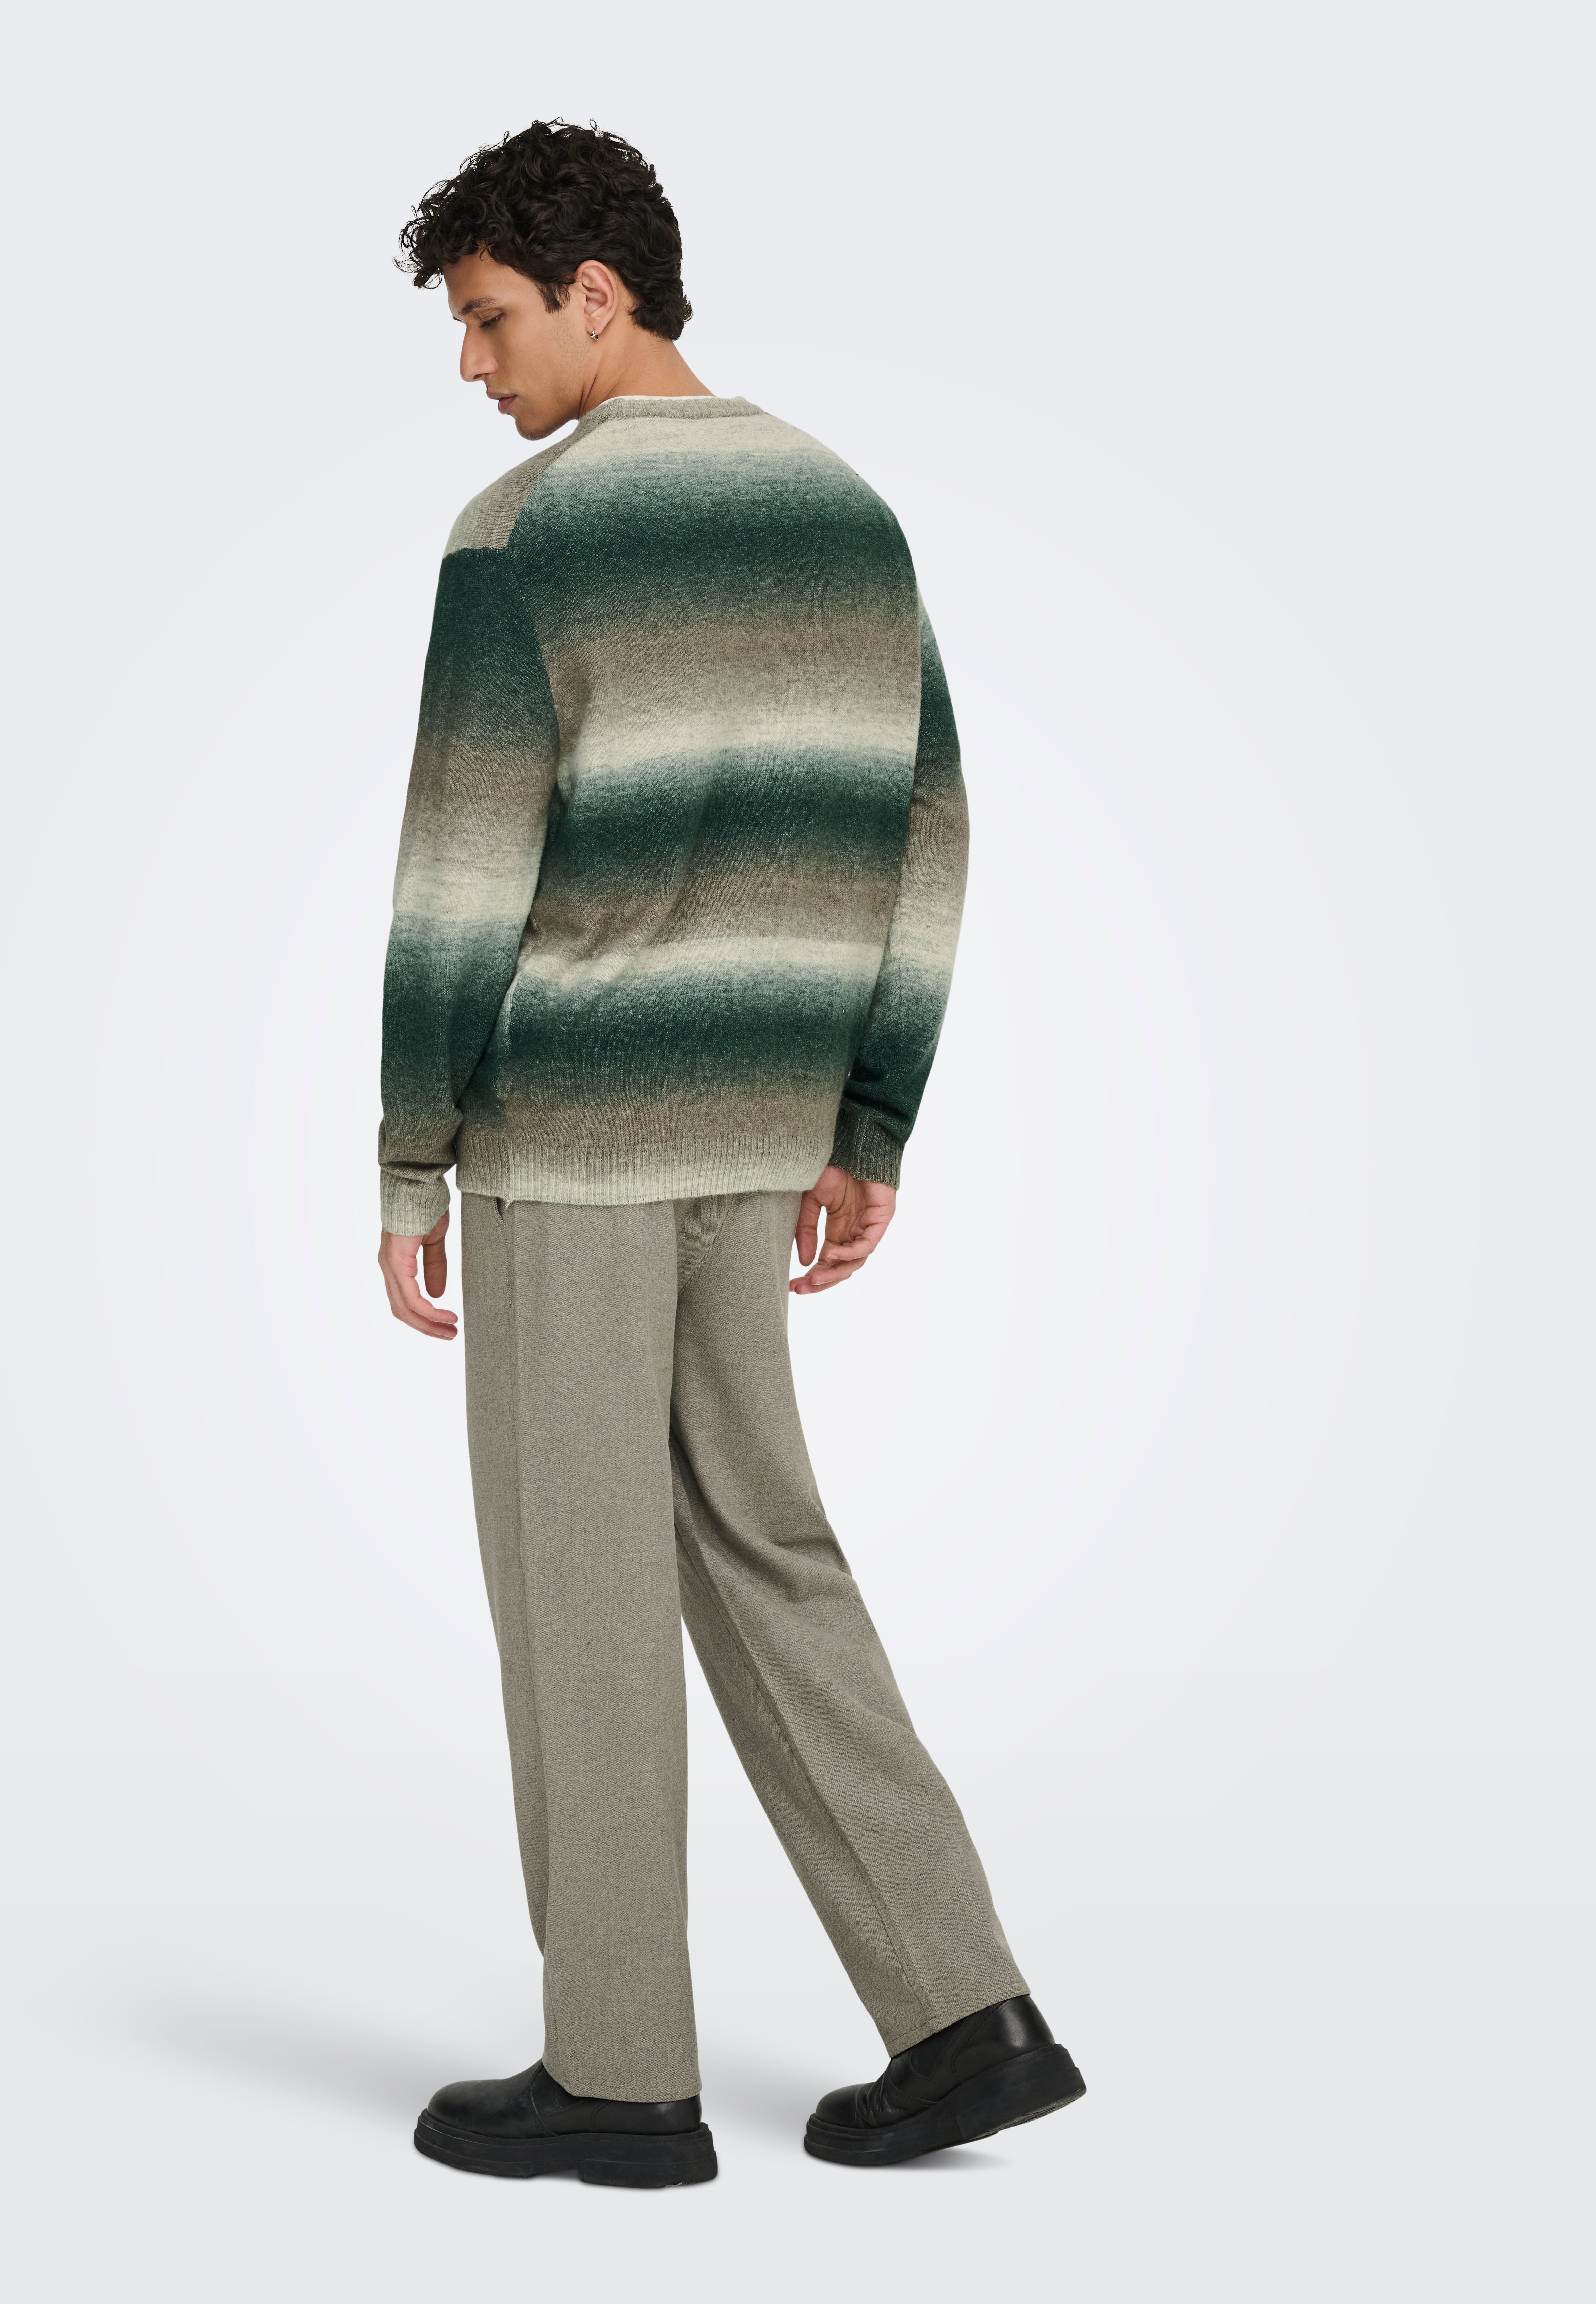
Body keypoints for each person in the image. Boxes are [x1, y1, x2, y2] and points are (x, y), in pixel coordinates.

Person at [376, 119, 1085, 2188]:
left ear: (598, 295)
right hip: (764, 1131)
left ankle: (620, 2077)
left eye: (490, 318)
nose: (472, 364)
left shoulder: (527, 534)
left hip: (573, 1141)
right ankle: (964, 2013)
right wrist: (866, 1117)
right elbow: (929, 831)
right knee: (768, 1549)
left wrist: (410, 1154)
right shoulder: (848, 513)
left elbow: (459, 872)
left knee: (582, 1585)